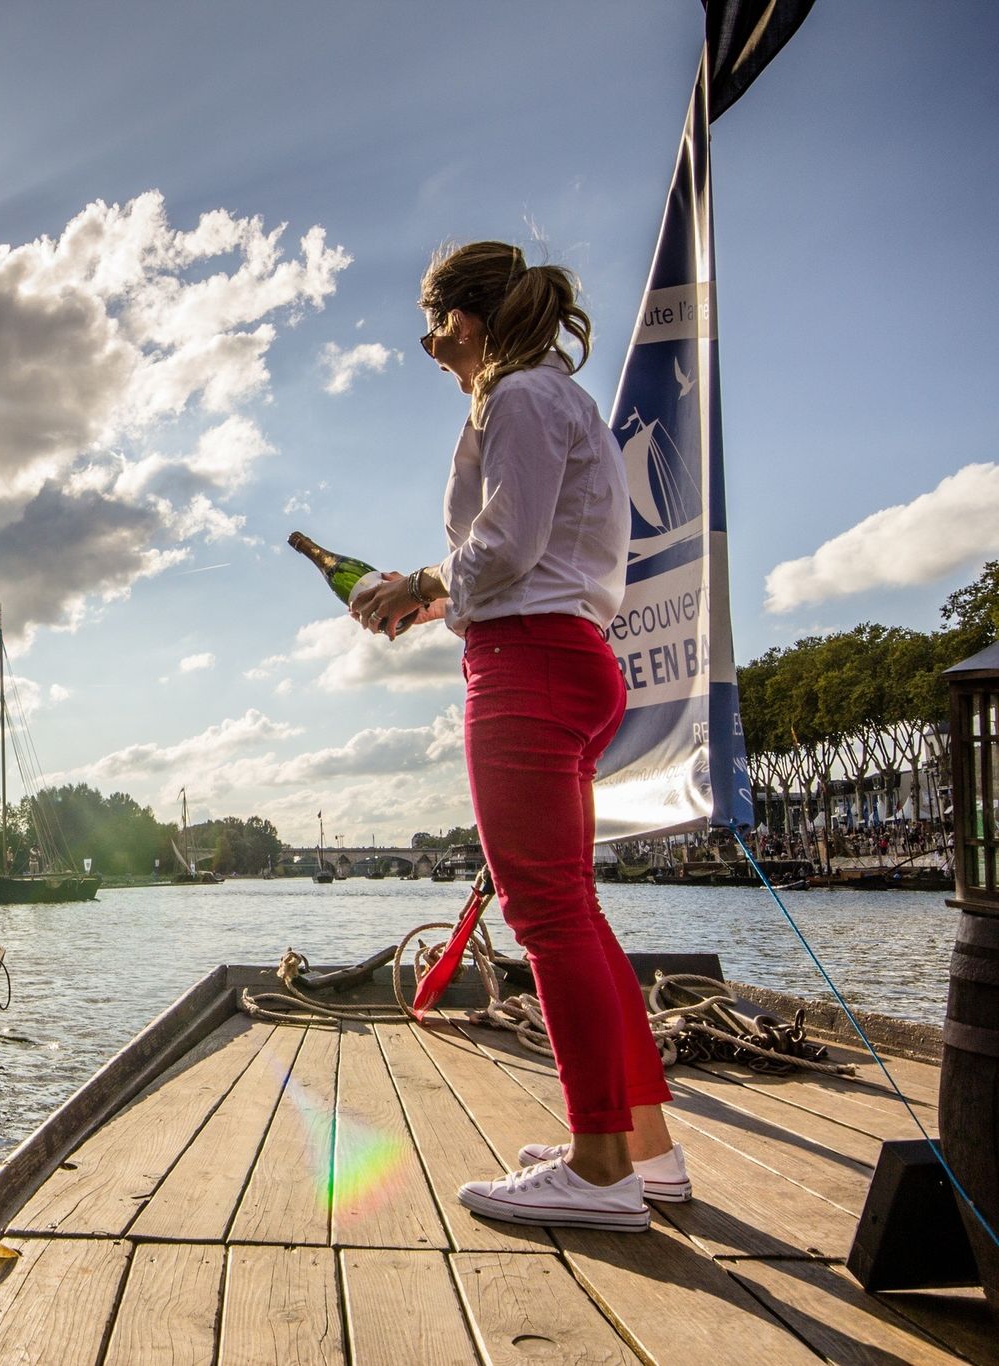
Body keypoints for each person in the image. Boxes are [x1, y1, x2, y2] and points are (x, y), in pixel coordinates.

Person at [350, 241, 686, 1233]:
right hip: (562, 655)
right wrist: (429, 601)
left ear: (460, 321)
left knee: (544, 915)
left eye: (429, 332)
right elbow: (520, 552)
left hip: (526, 668)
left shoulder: (517, 399)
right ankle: (640, 1151)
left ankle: (594, 1168)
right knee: (572, 911)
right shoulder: (555, 400)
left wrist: (417, 583)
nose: (429, 354)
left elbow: (505, 545)